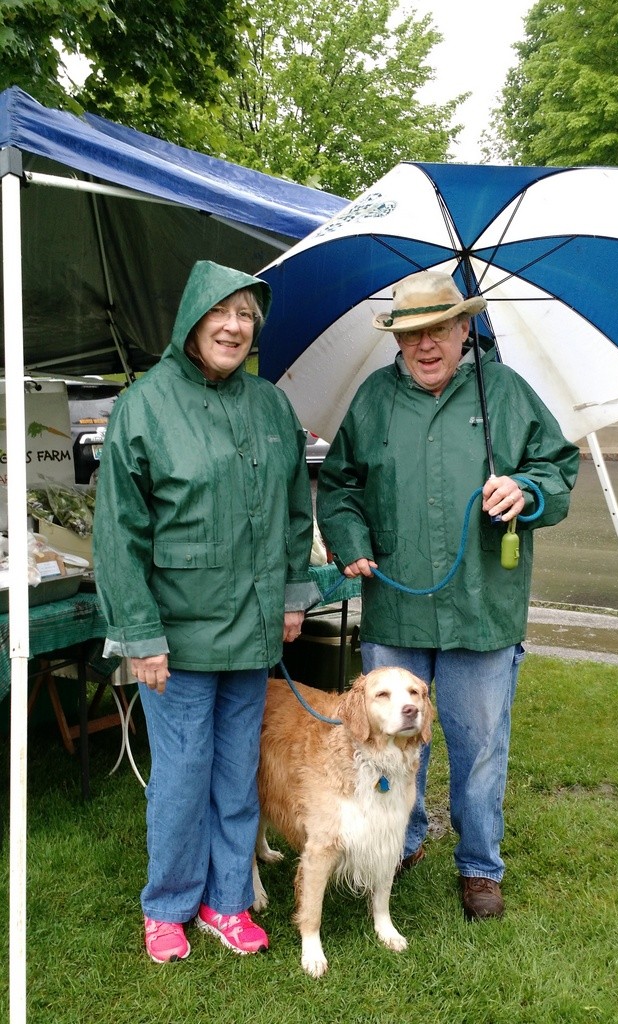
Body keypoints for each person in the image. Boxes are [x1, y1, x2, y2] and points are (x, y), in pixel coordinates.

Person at [317, 270, 579, 920]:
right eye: (411, 333)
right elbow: (340, 483)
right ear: (398, 340)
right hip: (396, 606)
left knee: (479, 744)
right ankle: (400, 843)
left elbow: (558, 468)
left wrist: (527, 489)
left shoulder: (505, 393)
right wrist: (348, 535)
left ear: (465, 327)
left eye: (439, 328)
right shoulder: (373, 399)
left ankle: (480, 866)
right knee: (387, 744)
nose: (426, 344)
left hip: (482, 609)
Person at [93, 260, 318, 962]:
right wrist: (139, 634)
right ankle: (167, 905)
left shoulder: (269, 404)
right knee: (183, 778)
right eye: (221, 313)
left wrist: (289, 596)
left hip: (251, 631)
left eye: (247, 315)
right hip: (177, 638)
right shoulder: (145, 404)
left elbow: (291, 508)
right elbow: (118, 531)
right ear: (192, 321)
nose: (234, 326)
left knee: (235, 775)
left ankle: (226, 902)